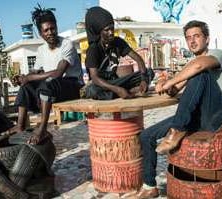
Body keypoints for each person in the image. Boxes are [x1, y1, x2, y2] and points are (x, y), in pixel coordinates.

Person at [138, 20, 222, 199]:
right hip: (198, 116)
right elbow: (175, 89)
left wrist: (171, 81)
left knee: (201, 71)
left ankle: (177, 131)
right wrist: (166, 84)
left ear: (206, 39)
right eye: (188, 38)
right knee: (146, 135)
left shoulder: (216, 55)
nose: (192, 41)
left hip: (219, 115)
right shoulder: (192, 64)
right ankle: (149, 186)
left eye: (197, 36)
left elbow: (199, 67)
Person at [9, 4, 83, 144]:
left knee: (48, 83)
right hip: (53, 87)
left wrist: (29, 77)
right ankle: (20, 125)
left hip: (73, 85)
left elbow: (58, 73)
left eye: (52, 28)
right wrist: (22, 78)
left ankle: (43, 129)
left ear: (56, 27)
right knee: (26, 87)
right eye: (46, 30)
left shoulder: (67, 44)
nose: (50, 32)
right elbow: (34, 72)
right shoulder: (41, 50)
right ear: (41, 33)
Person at [84, 6, 154, 100]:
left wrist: (143, 79)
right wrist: (117, 90)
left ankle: (123, 92)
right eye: (107, 30)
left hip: (116, 82)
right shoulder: (93, 49)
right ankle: (125, 92)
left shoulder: (118, 42)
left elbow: (138, 59)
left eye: (112, 28)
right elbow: (95, 78)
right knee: (93, 90)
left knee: (149, 72)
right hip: (101, 85)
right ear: (99, 31)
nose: (111, 32)